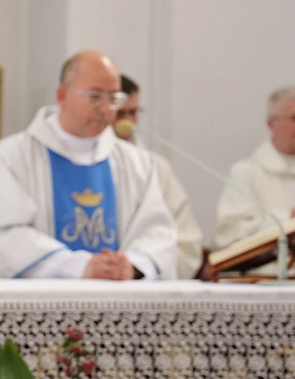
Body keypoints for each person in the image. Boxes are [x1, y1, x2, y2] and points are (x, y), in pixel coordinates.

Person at [0, 50, 177, 280]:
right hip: (39, 301)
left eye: (113, 98)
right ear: (62, 95)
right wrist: (80, 267)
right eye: (95, 96)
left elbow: (158, 234)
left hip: (117, 300)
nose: (106, 109)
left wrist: (131, 265)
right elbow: (5, 235)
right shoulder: (12, 157)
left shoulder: (137, 164)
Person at [113, 75, 203, 278]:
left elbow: (186, 241)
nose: (128, 122)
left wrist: (143, 266)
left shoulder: (156, 168)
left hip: (144, 281)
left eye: (133, 113)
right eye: (120, 114)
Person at [215, 86, 295, 251]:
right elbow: (230, 236)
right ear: (271, 124)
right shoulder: (246, 172)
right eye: (294, 118)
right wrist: (288, 218)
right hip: (266, 266)